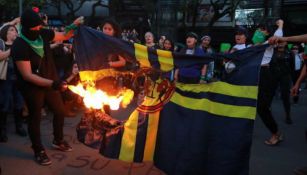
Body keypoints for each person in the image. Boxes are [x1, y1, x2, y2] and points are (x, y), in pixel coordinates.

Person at [10, 9, 83, 165]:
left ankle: (58, 140)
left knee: (60, 110)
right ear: (27, 27)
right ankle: (38, 150)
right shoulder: (19, 45)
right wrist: (53, 83)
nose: (38, 28)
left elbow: (63, 36)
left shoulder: (42, 33)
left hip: (51, 81)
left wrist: (73, 26)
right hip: (32, 87)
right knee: (35, 117)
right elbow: (28, 75)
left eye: (39, 26)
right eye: (35, 27)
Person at [256, 19, 284, 146]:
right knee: (257, 106)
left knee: (262, 108)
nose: (259, 31)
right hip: (254, 76)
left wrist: (281, 24)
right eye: (258, 29)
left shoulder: (269, 42)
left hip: (264, 75)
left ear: (267, 33)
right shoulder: (254, 46)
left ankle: (276, 133)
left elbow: (278, 36)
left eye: (262, 29)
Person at [0, 24, 27, 142]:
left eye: (15, 30)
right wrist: (14, 47)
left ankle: (19, 126)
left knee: (19, 102)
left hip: (19, 76)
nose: (14, 32)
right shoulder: (1, 43)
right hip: (6, 77)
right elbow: (1, 56)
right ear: (6, 33)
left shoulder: (20, 44)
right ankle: (2, 130)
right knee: (4, 103)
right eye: (11, 30)